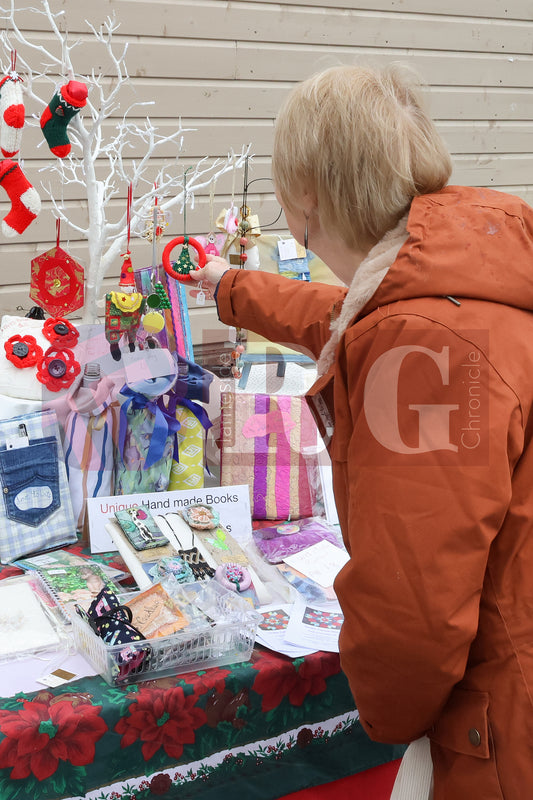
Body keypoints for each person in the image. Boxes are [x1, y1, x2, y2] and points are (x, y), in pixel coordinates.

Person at [191, 64, 533, 799]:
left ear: (305, 195)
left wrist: (386, 714)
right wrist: (229, 287)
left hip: (502, 728)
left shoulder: (421, 350)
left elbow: (413, 610)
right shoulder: (461, 273)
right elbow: (347, 319)